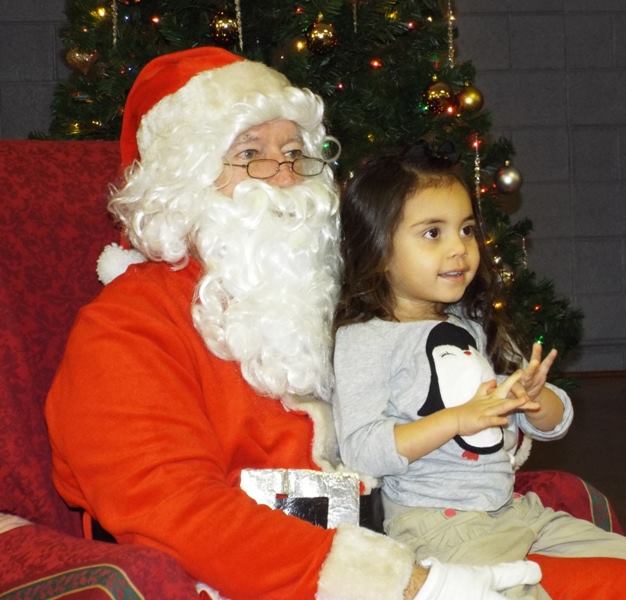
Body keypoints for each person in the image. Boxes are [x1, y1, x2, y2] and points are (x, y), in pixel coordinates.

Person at [44, 47, 542, 600]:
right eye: (250, 154)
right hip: (270, 582)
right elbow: (173, 511)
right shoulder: (125, 326)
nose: (283, 175)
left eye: (294, 152)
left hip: (417, 535)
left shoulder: (326, 296)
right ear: (184, 183)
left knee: (613, 581)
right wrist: (407, 584)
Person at [332, 145, 626, 599]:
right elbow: (361, 450)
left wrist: (534, 400)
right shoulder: (366, 338)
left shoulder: (465, 325)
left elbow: (548, 424)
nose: (459, 249)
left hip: (509, 511)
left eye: (466, 230)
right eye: (433, 233)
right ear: (378, 249)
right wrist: (456, 420)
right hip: (439, 526)